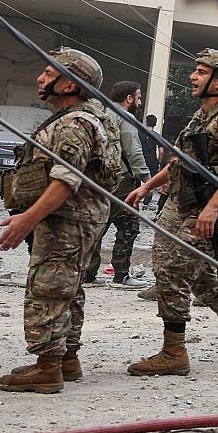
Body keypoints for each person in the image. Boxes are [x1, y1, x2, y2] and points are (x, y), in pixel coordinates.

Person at [122, 49, 218, 376]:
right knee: (201, 277)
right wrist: (148, 186)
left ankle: (173, 352)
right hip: (185, 202)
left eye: (201, 72)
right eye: (195, 71)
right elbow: (180, 160)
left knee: (173, 270)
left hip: (208, 208)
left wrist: (213, 207)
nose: (193, 76)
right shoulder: (201, 116)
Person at [0, 49, 115, 392]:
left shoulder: (75, 122)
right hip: (77, 217)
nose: (41, 79)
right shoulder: (82, 117)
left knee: (48, 287)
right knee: (69, 286)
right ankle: (66, 359)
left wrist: (26, 220)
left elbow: (66, 179)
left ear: (70, 84)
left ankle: (48, 367)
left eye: (50, 74)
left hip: (67, 218)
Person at [83, 80, 149, 287]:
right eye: (138, 97)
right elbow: (133, 151)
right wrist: (147, 179)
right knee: (128, 226)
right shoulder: (125, 118)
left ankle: (88, 274)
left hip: (98, 178)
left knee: (97, 224)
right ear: (129, 99)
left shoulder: (99, 115)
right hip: (122, 180)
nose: (139, 102)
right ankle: (121, 274)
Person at [140, 113, 161, 209]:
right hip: (152, 160)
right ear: (155, 124)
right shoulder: (157, 136)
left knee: (137, 178)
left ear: (146, 122)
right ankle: (147, 200)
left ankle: (135, 196)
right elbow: (161, 151)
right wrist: (159, 161)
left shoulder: (139, 133)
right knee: (150, 181)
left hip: (141, 158)